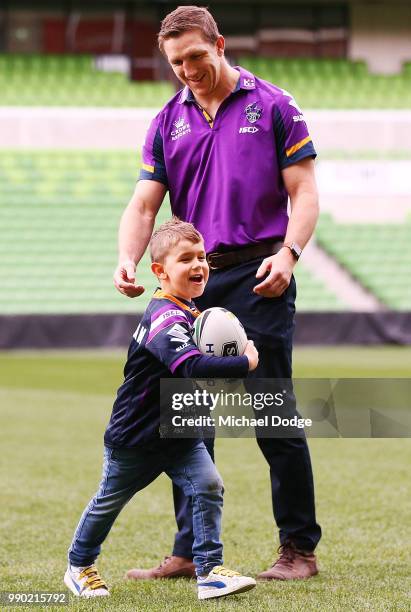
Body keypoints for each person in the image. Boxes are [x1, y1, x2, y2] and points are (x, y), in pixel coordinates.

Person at [114, 5, 322, 581]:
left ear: (220, 44)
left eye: (196, 57)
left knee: (271, 413)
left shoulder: (275, 106)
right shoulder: (165, 120)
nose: (186, 70)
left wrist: (289, 253)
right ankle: (189, 551)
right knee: (188, 420)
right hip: (191, 285)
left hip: (260, 275)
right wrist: (129, 257)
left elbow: (303, 192)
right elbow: (144, 204)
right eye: (176, 62)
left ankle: (298, 550)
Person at [64, 218, 258, 600]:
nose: (198, 265)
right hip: (137, 436)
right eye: (186, 258)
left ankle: (209, 572)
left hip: (180, 433)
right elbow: (190, 366)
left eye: (202, 256)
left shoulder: (191, 312)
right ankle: (79, 566)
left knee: (208, 486)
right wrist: (245, 362)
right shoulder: (164, 315)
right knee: (109, 501)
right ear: (160, 271)